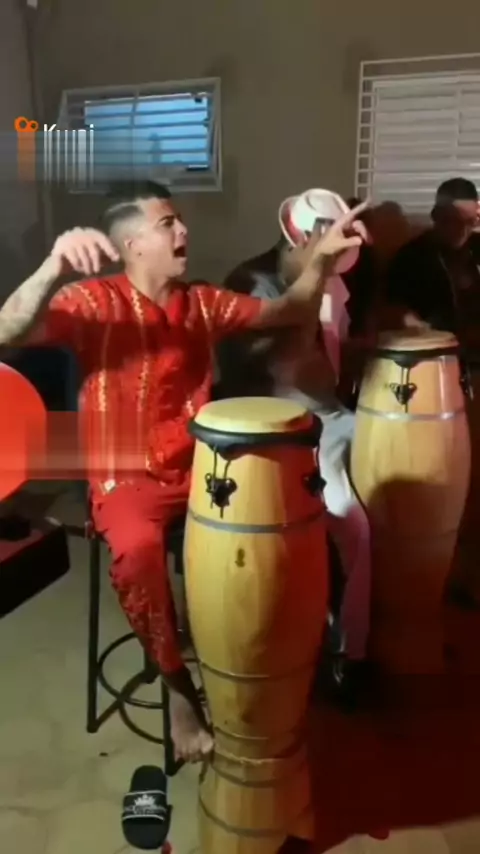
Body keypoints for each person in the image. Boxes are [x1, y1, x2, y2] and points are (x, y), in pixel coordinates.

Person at [0, 180, 366, 760]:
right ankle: (179, 693)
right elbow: (6, 330)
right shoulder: (92, 302)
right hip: (124, 472)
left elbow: (290, 309)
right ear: (132, 244)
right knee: (139, 554)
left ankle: (278, 659)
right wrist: (53, 266)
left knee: (290, 512)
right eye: (168, 223)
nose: (184, 231)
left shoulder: (201, 302)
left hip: (199, 463)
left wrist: (320, 258)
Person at [218, 195, 372, 704]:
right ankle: (347, 656)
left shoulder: (335, 280)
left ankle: (365, 620)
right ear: (299, 238)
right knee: (352, 521)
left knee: (401, 475)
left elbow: (334, 363)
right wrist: (315, 282)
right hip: (279, 427)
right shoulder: (251, 284)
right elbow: (290, 368)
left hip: (331, 414)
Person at [385, 178, 480, 346]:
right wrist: (410, 322)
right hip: (436, 349)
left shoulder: (476, 245)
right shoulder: (410, 258)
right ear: (436, 216)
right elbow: (392, 311)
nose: (463, 230)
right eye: (454, 220)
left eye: (470, 221)